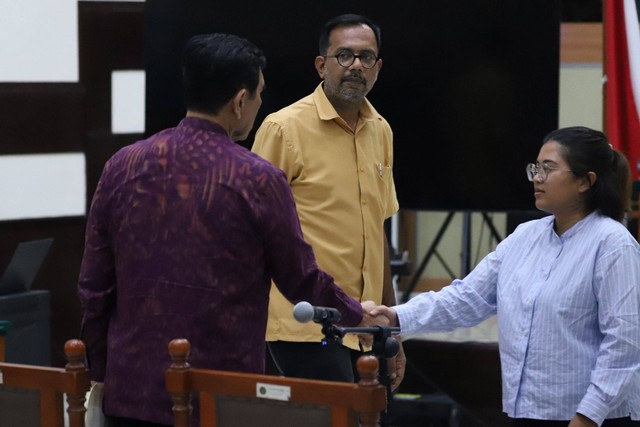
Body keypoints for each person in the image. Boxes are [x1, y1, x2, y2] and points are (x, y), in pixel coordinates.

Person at [78, 33, 376, 427]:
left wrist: (99, 370)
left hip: (130, 391)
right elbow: (300, 278)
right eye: (258, 95)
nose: (258, 105)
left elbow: (94, 286)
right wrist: (360, 314)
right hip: (220, 396)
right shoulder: (258, 178)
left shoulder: (122, 164)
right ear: (239, 101)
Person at [371, 126, 640, 427]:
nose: (536, 177)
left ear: (585, 181)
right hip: (528, 411)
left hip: (594, 417)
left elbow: (624, 341)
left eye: (548, 169)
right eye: (535, 168)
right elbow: (467, 298)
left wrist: (589, 414)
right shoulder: (525, 237)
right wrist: (395, 316)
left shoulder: (612, 244)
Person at [251, 13, 405, 388]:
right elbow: (253, 230)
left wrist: (393, 325)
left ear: (378, 67)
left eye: (366, 57)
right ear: (322, 65)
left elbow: (378, 229)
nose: (356, 65)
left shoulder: (380, 130)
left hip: (366, 324)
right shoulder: (283, 129)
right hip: (304, 323)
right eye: (344, 56)